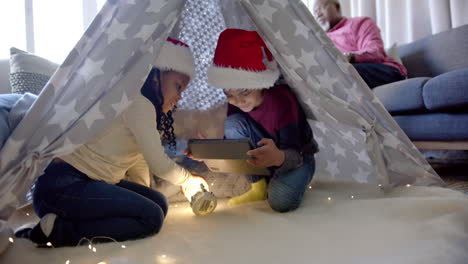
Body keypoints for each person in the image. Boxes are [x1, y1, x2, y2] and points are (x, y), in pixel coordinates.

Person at [13, 37, 209, 247]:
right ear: (155, 77)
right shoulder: (138, 104)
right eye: (178, 87)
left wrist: (136, 199)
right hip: (63, 187)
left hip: (87, 184)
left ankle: (60, 223)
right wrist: (188, 179)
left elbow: (138, 159)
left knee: (158, 203)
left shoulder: (142, 107)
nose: (179, 97)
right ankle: (61, 232)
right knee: (152, 218)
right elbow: (158, 163)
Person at [206, 29, 319, 213]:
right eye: (229, 95)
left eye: (244, 92)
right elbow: (237, 141)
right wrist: (211, 150)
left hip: (296, 157)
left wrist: (278, 157)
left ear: (259, 83)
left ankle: (278, 180)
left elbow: (296, 155)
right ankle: (258, 186)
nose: (238, 100)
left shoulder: (281, 102)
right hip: (264, 155)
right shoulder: (236, 104)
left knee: (281, 201)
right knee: (232, 124)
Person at [313, 0, 407, 88]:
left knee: (339, 71)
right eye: (315, 12)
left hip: (384, 71)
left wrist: (351, 56)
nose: (318, 14)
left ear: (337, 7)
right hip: (344, 74)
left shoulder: (360, 23)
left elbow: (375, 50)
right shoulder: (321, 40)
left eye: (322, 8)